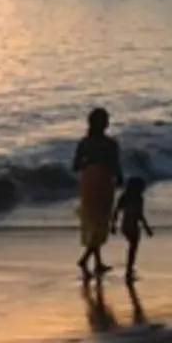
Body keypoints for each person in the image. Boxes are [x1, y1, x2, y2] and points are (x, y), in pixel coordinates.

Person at [72, 107, 122, 277]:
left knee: (92, 221)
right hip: (104, 181)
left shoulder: (84, 143)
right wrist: (119, 179)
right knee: (101, 221)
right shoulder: (110, 144)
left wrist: (90, 162)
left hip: (88, 181)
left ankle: (97, 261)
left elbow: (76, 166)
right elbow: (116, 166)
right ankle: (86, 259)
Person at [112, 175, 153, 280]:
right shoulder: (139, 198)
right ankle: (129, 270)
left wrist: (113, 225)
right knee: (133, 248)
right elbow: (140, 215)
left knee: (132, 247)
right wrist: (147, 228)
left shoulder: (124, 197)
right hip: (133, 225)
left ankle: (130, 268)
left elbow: (116, 211)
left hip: (125, 225)